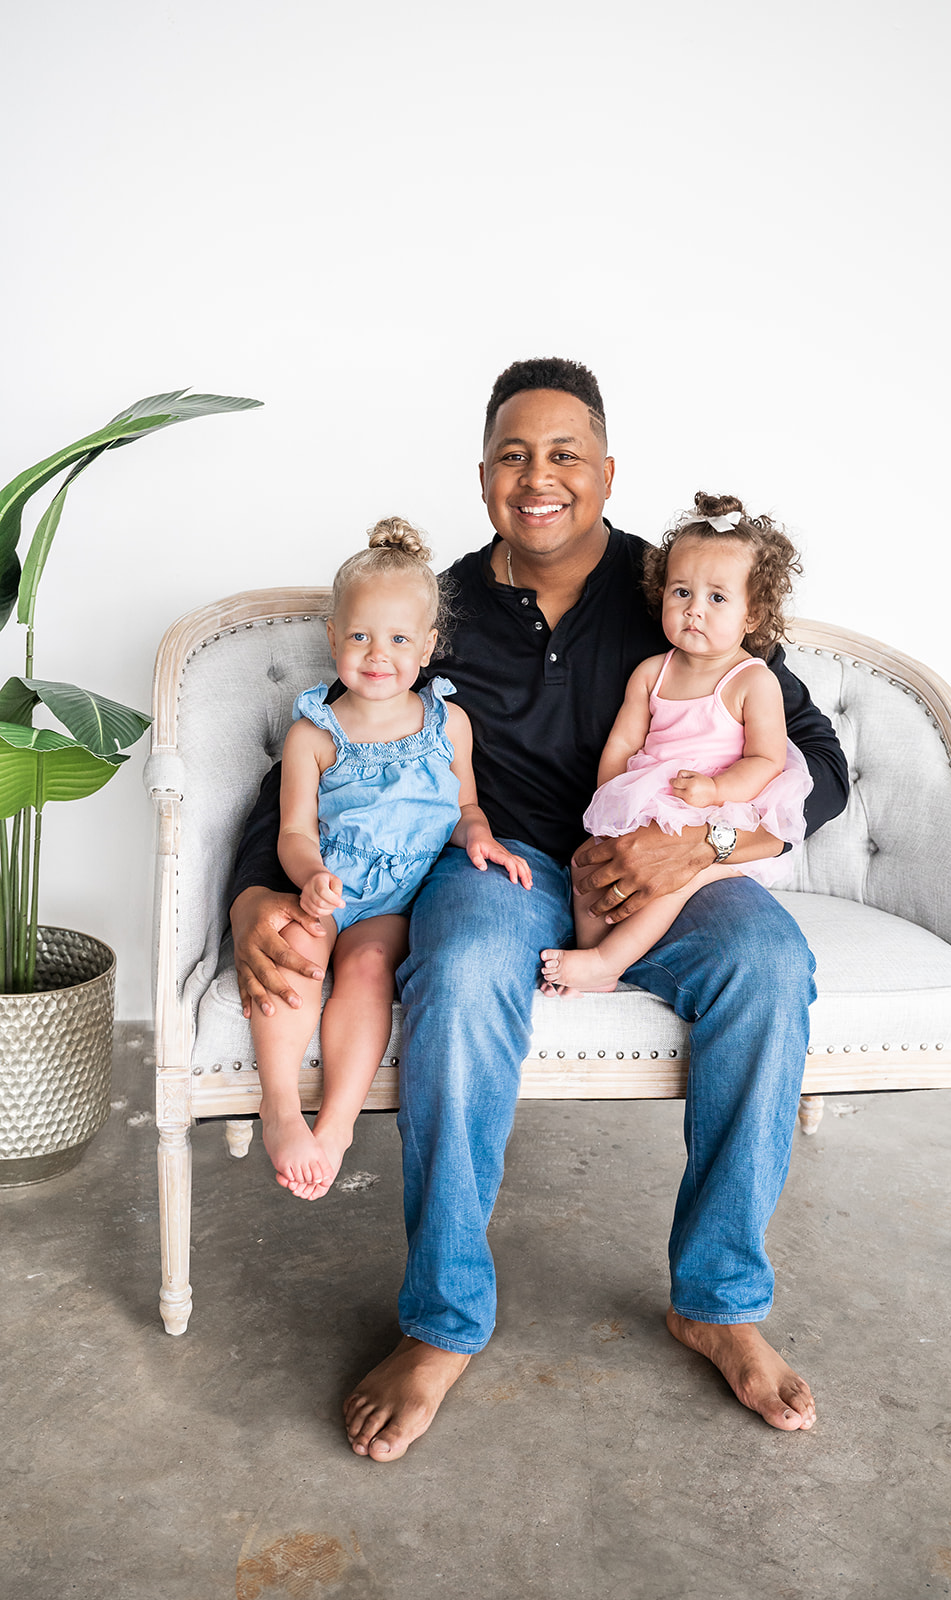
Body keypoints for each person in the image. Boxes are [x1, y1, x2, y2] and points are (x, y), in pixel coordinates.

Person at [229, 357, 849, 1455]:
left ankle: (717, 1302)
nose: (538, 476)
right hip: (501, 864)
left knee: (769, 964)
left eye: (565, 453)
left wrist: (697, 844)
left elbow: (815, 759)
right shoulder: (438, 610)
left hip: (666, 868)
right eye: (512, 455)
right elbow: (321, 761)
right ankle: (443, 1320)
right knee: (462, 971)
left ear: (607, 472)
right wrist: (251, 895)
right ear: (482, 478)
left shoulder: (678, 594)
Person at [251, 517, 531, 1201]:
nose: (378, 655)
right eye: (360, 637)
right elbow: (293, 832)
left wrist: (478, 837)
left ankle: (337, 1125)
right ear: (332, 638)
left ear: (428, 645)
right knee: (298, 945)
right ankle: (279, 1107)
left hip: (400, 897)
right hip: (330, 884)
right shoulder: (313, 735)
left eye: (400, 639)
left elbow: (465, 807)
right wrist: (310, 878)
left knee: (370, 964)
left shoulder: (448, 724)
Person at [540, 493, 811, 996]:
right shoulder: (652, 672)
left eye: (717, 598)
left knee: (672, 883)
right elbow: (624, 741)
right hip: (650, 802)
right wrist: (612, 799)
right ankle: (594, 953)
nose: (694, 610)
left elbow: (767, 759)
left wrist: (715, 789)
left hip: (712, 812)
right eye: (681, 592)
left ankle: (605, 962)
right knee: (584, 864)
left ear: (753, 614)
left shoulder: (752, 681)